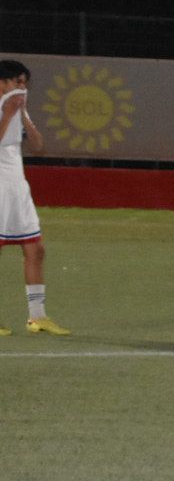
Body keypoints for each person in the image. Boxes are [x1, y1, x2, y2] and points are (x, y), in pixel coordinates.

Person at [0, 60, 70, 337]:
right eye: (17, 82)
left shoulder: (17, 108)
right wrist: (8, 114)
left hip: (17, 187)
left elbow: (39, 146)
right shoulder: (4, 109)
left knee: (35, 249)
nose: (22, 87)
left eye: (25, 83)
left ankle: (37, 316)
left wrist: (22, 115)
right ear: (2, 83)